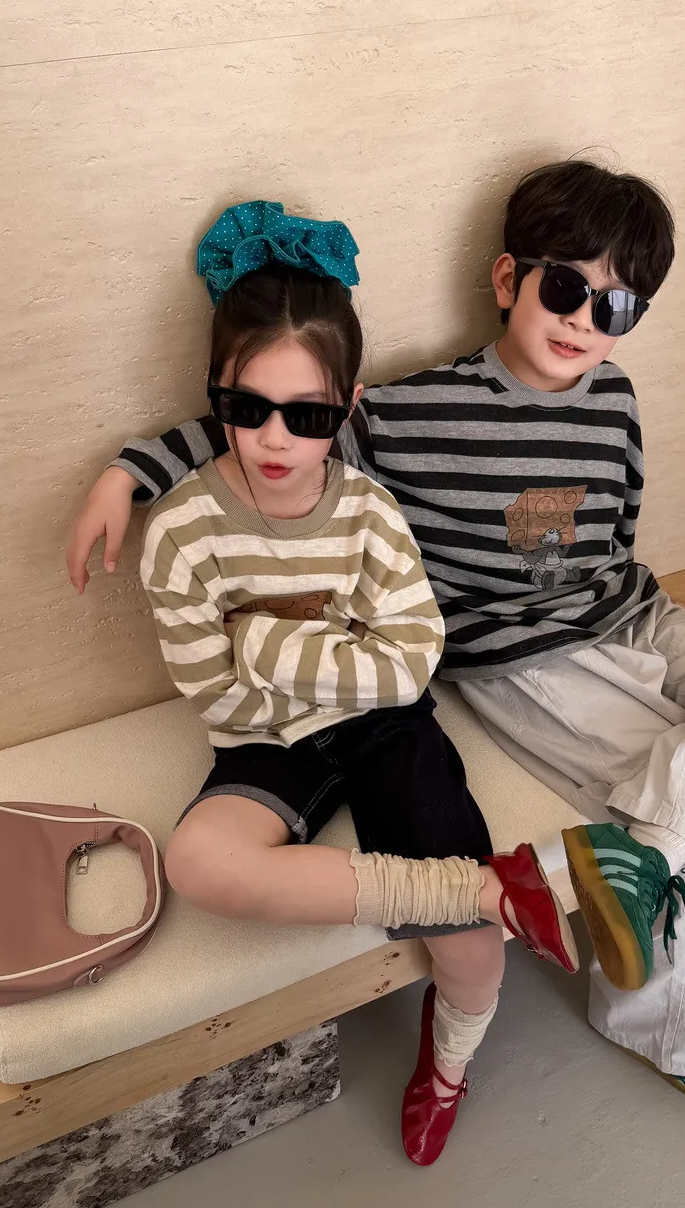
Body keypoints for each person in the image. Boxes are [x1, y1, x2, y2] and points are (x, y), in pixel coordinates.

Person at [69, 164, 685, 1109]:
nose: (584, 321)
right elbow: (272, 421)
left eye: (616, 306)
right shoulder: (411, 412)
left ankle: (642, 858)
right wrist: (129, 472)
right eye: (565, 287)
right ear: (508, 279)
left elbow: (619, 532)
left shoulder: (615, 398)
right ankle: (670, 1024)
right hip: (525, 661)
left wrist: (644, 632)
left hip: (632, 615)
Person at [124, 201, 579, 1167]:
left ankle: (447, 1064)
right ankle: (480, 886)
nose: (274, 438)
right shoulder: (181, 531)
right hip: (267, 742)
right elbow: (220, 702)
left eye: (310, 416)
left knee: (470, 949)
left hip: (386, 723)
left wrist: (258, 640)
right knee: (197, 861)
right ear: (215, 394)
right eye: (246, 408)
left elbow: (410, 662)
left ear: (349, 405)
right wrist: (332, 649)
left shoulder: (369, 511)